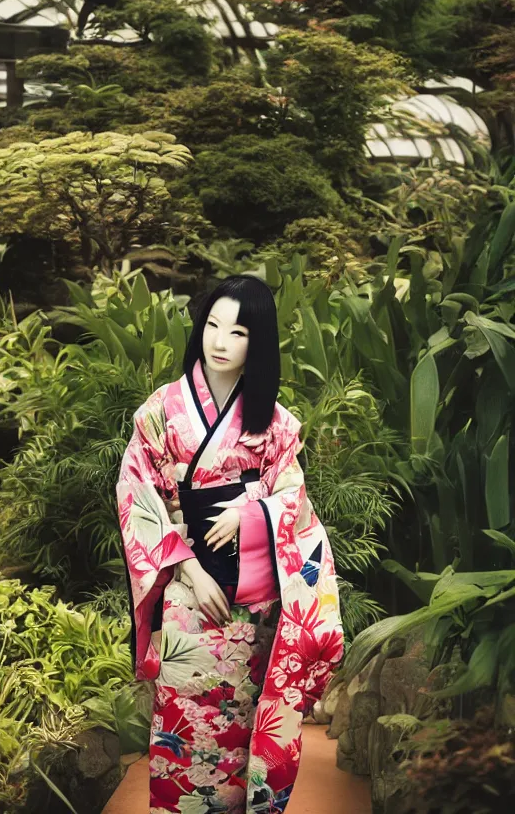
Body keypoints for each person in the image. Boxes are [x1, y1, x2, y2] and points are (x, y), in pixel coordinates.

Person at [116, 275, 343, 813]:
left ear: (256, 341)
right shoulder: (159, 412)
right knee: (184, 732)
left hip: (255, 601)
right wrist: (189, 569)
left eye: (237, 331)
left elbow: (296, 503)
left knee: (246, 735)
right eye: (212, 326)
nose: (219, 342)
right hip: (188, 594)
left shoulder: (279, 424)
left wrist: (252, 512)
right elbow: (136, 498)